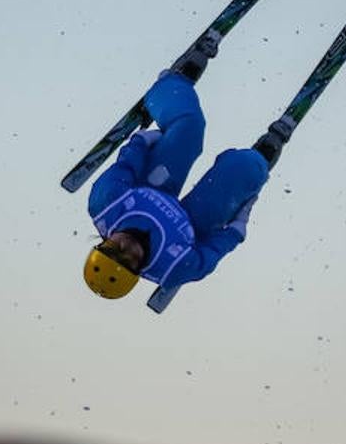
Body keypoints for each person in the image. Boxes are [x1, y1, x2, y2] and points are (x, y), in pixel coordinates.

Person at [83, 71, 270, 299]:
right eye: (128, 260)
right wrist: (235, 230)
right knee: (244, 167)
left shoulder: (105, 204)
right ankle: (260, 158)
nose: (125, 247)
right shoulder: (174, 267)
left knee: (188, 128)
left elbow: (124, 168)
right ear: (138, 271)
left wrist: (140, 143)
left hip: (151, 182)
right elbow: (208, 256)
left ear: (102, 244)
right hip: (192, 224)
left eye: (113, 249)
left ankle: (169, 87)